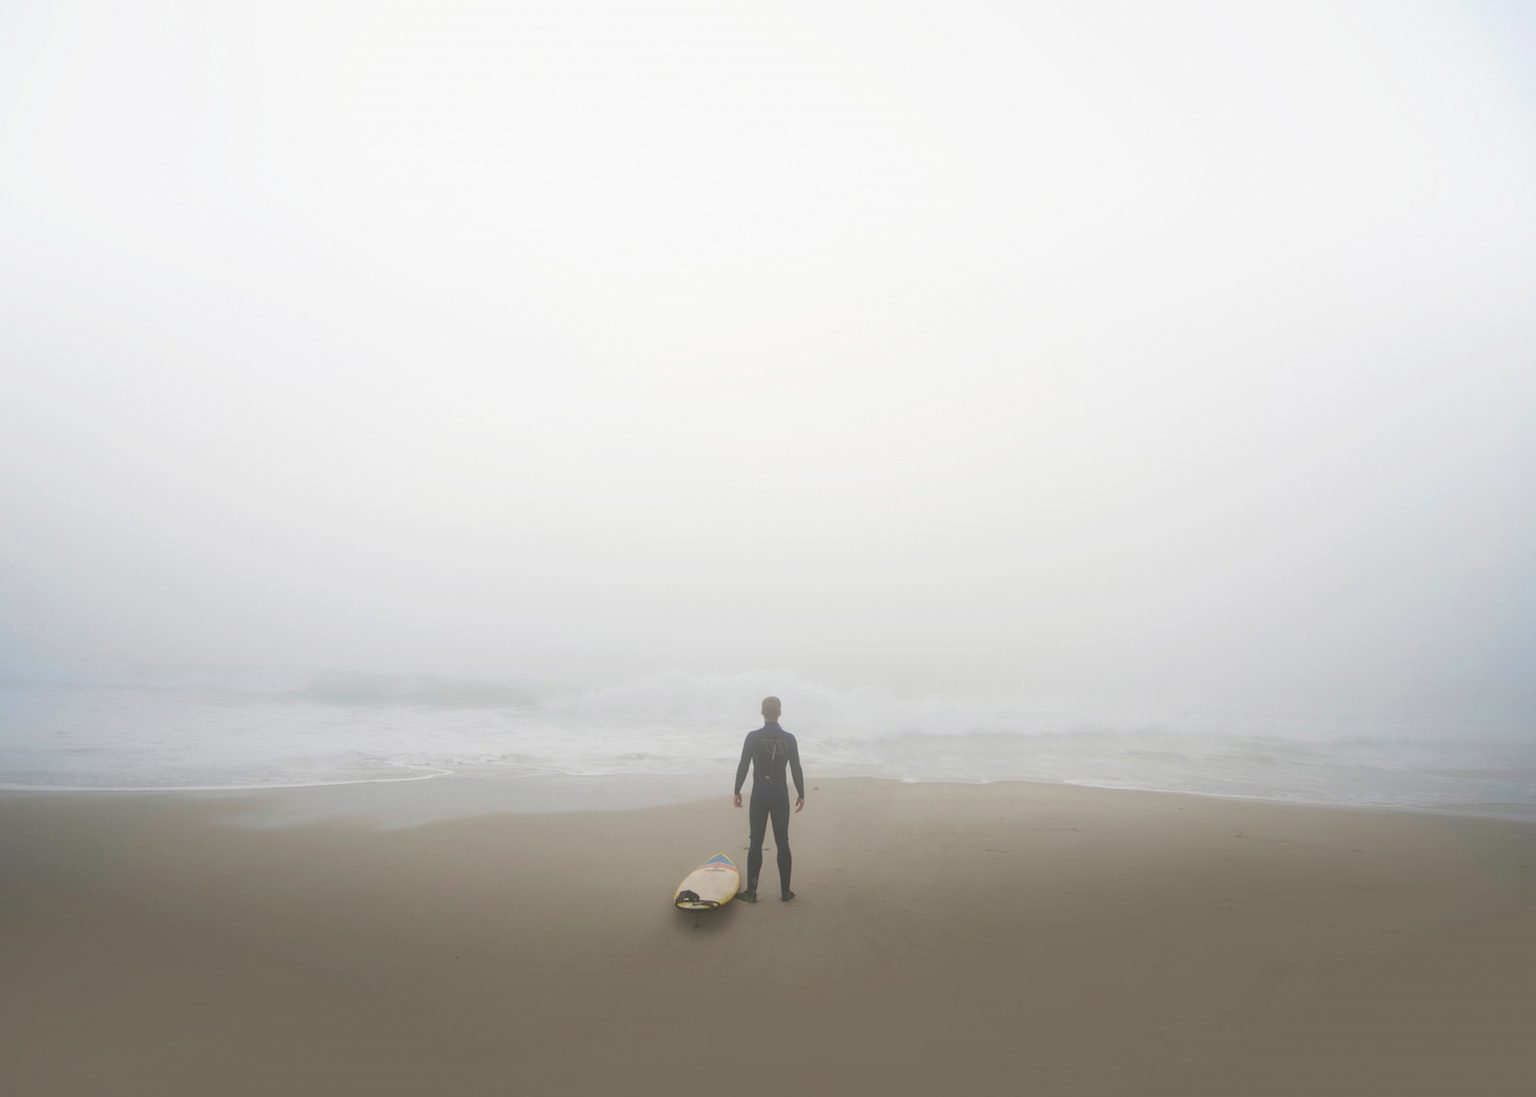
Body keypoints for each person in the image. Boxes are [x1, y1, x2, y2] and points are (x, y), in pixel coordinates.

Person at [732, 695, 805, 903]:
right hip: (780, 794)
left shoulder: (752, 737)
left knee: (756, 841)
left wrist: (737, 790)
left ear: (762, 713)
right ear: (779, 713)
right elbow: (796, 768)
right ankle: (785, 892)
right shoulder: (789, 739)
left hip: (760, 794)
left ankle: (751, 892)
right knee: (783, 841)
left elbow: (743, 765)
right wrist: (801, 793)